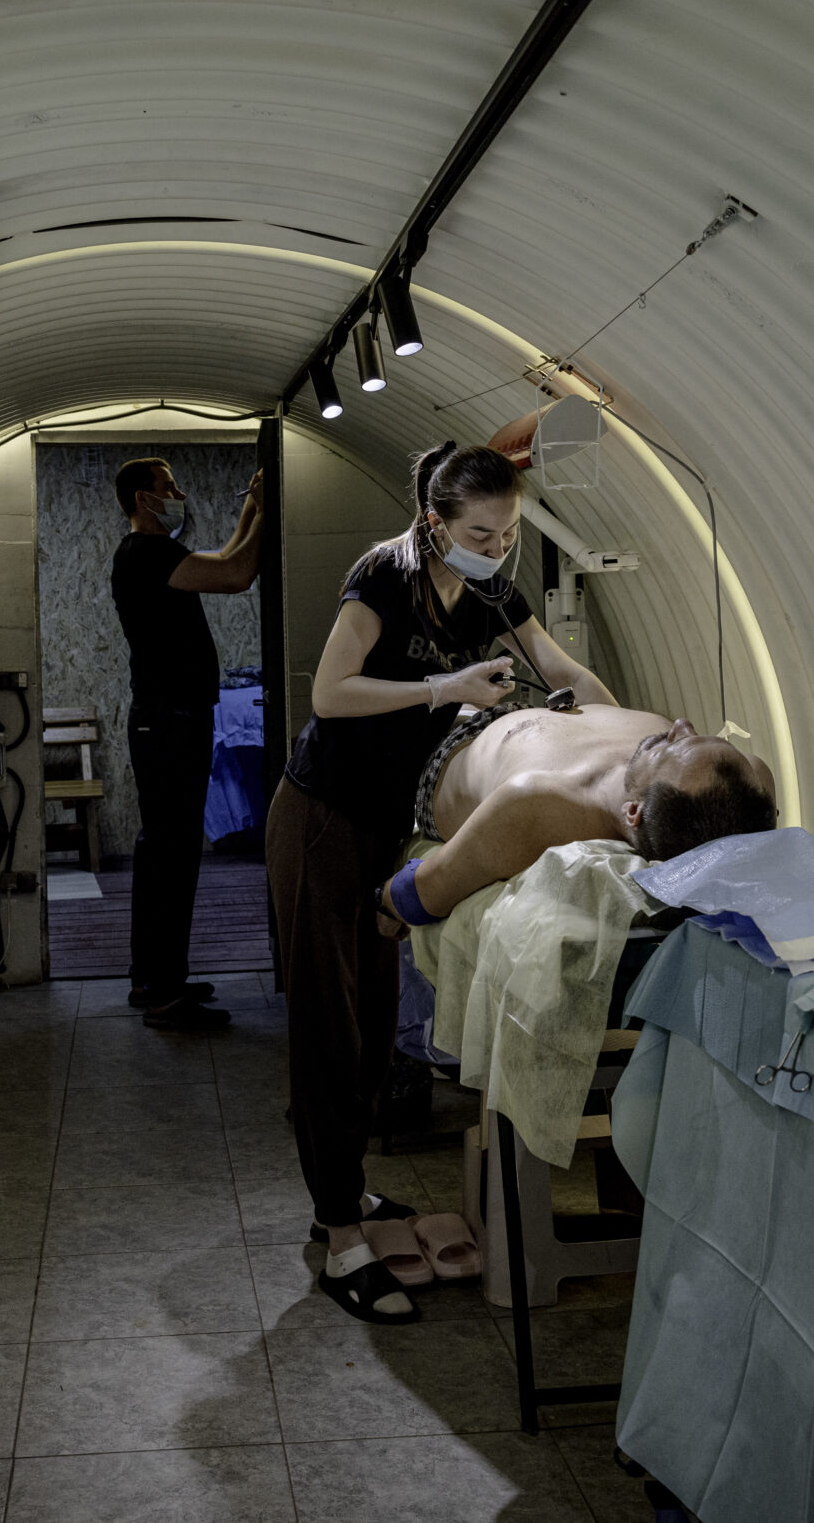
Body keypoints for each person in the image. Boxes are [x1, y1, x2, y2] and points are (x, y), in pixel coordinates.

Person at [265, 441, 610, 1323]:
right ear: (436, 524)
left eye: (510, 534)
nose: (498, 550)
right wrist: (443, 686)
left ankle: (345, 1190)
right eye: (481, 535)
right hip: (321, 818)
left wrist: (619, 741)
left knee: (376, 1024)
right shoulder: (383, 575)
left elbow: (562, 670)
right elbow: (330, 694)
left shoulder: (491, 589)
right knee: (329, 1024)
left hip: (387, 828)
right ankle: (340, 1232)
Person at [374, 706, 778, 938]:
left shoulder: (539, 804)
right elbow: (757, 775)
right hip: (552, 707)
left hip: (446, 749)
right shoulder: (748, 784)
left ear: (633, 812)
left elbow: (425, 892)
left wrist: (381, 903)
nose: (681, 725)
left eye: (671, 746)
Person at [110, 456, 266, 1030]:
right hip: (169, 722)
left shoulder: (152, 554)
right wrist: (266, 514)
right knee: (172, 856)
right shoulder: (147, 553)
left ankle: (153, 978)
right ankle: (165, 994)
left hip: (167, 720)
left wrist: (252, 510)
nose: (178, 493)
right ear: (142, 498)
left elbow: (223, 559)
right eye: (168, 485)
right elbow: (237, 573)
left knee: (162, 853)